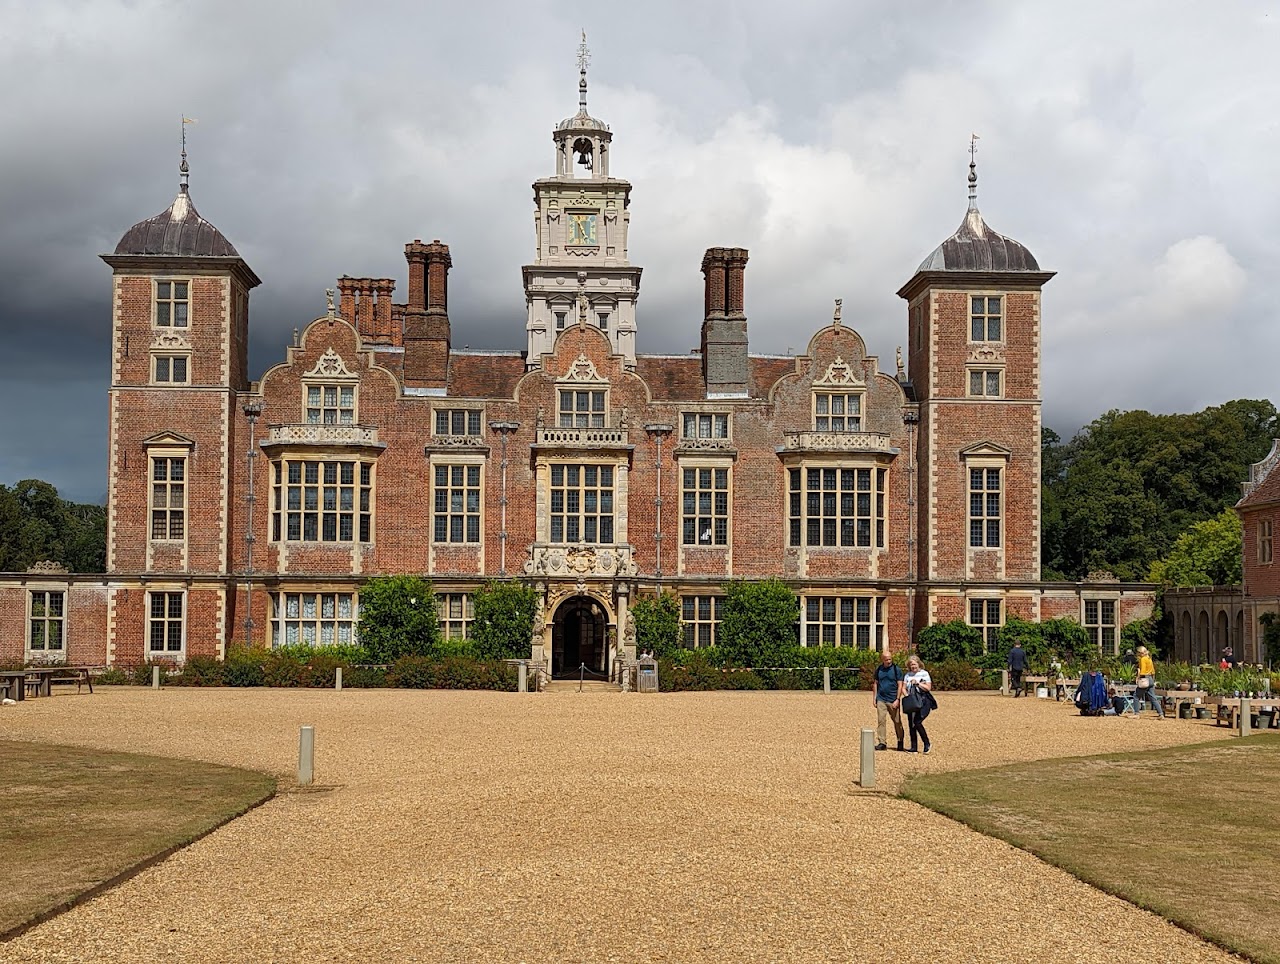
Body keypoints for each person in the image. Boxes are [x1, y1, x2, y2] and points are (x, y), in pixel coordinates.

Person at [900, 654, 933, 754]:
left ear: (918, 664)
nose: (913, 667)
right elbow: (903, 688)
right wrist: (907, 695)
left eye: (914, 664)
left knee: (917, 722)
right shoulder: (907, 675)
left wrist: (918, 684)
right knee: (911, 725)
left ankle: (927, 743)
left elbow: (928, 688)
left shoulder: (924, 674)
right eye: (911, 665)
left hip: (923, 700)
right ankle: (913, 747)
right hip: (912, 701)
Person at [871, 650, 905, 751]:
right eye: (886, 659)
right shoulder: (879, 669)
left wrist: (898, 699)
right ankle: (882, 742)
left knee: (897, 721)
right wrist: (874, 698)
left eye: (890, 659)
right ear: (883, 660)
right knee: (881, 720)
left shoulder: (896, 669)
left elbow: (900, 685)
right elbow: (876, 683)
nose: (889, 661)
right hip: (881, 698)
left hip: (893, 699)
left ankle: (900, 740)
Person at [1132, 645, 1164, 718]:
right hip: (1150, 678)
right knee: (1153, 698)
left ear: (1140, 653)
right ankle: (1161, 714)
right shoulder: (1149, 659)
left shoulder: (1143, 659)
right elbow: (1153, 671)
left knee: (1136, 696)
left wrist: (1138, 678)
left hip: (1145, 679)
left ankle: (1136, 714)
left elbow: (1142, 671)